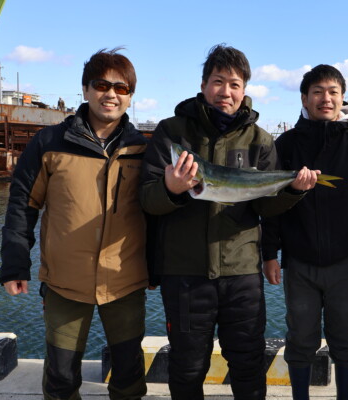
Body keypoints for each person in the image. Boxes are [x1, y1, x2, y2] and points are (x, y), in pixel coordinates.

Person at [139, 44, 318, 400]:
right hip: (185, 275)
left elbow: (266, 208)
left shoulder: (259, 140)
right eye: (218, 82)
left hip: (241, 275)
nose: (226, 92)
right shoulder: (171, 133)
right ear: (204, 85)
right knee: (188, 366)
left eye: (235, 84)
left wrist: (293, 191)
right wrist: (171, 188)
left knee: (249, 364)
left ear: (244, 91)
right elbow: (146, 200)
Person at [0, 48, 149, 400]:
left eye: (121, 88)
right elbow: (23, 204)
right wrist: (14, 265)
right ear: (85, 90)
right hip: (65, 283)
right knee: (61, 379)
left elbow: (154, 212)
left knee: (129, 378)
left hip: (125, 281)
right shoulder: (49, 142)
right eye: (101, 84)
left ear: (130, 97)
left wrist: (157, 271)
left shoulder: (141, 149)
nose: (111, 94)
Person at [261, 64, 348, 400]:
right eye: (317, 92)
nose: (325, 98)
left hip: (347, 262)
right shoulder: (286, 144)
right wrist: (269, 254)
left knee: (347, 340)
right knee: (300, 339)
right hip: (299, 262)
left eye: (332, 92)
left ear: (343, 98)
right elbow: (272, 203)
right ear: (305, 98)